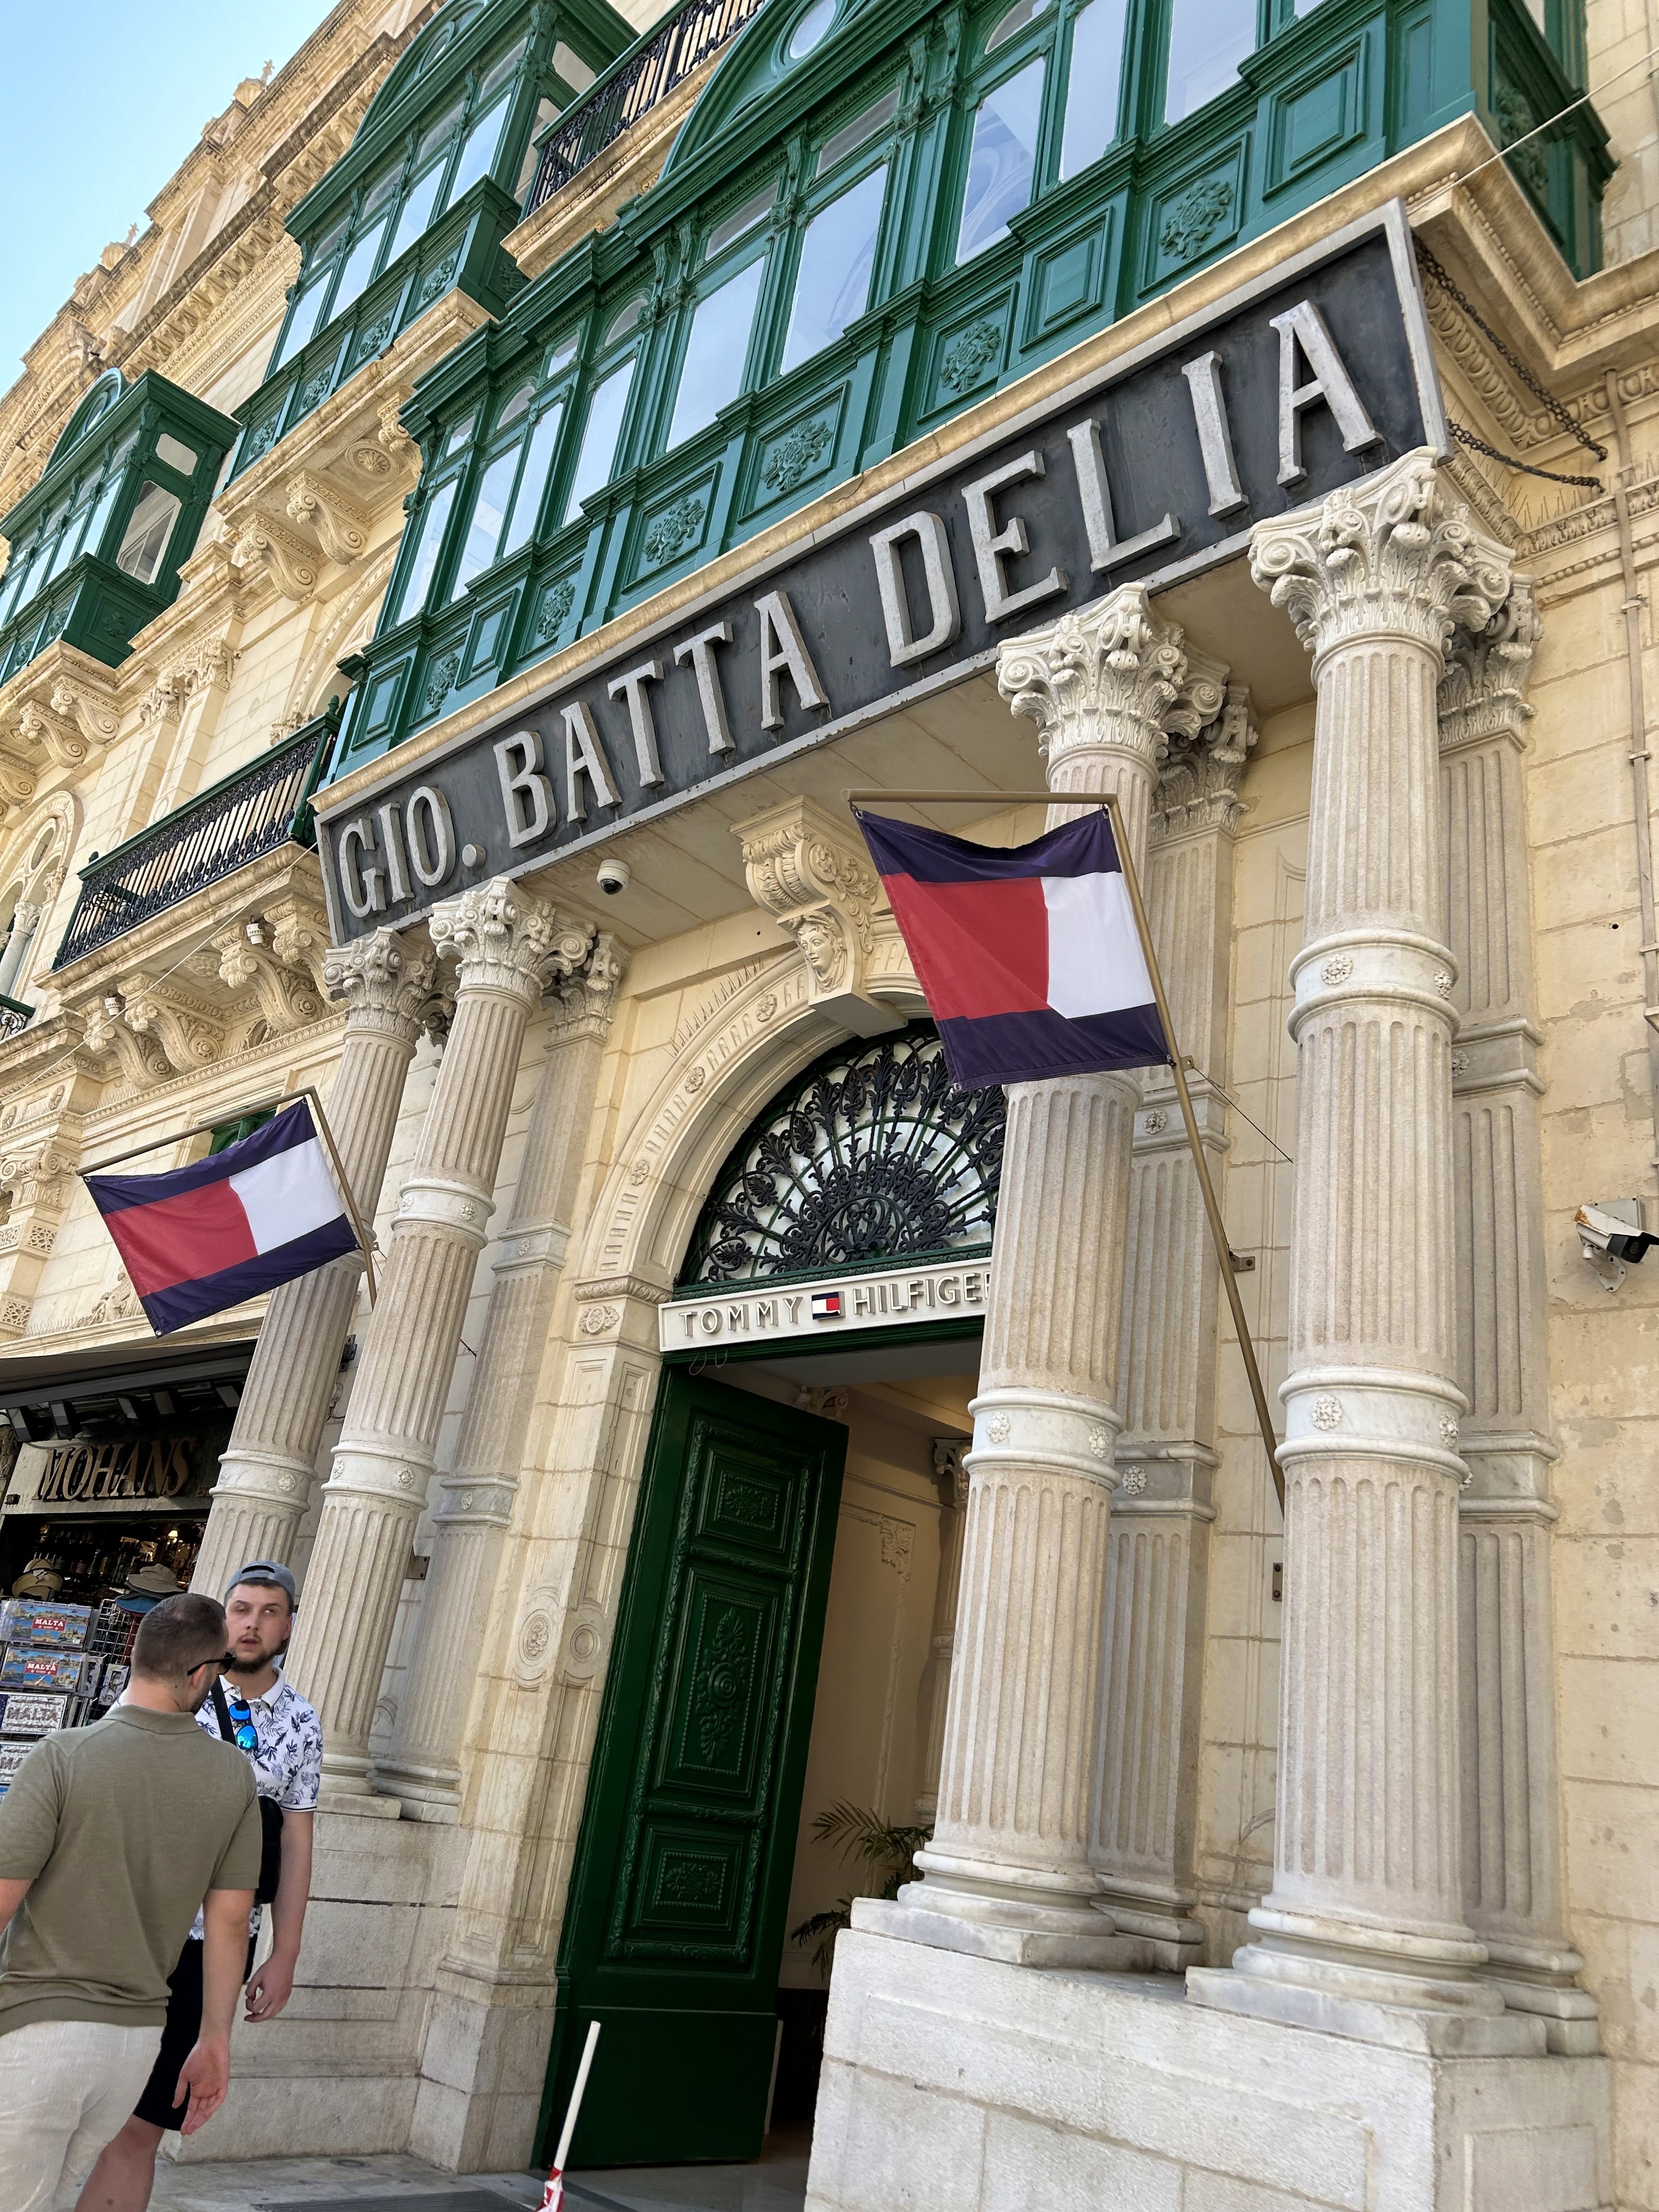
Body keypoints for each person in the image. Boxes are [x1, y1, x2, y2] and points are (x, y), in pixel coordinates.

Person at [0, 1592, 260, 2212]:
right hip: (135, 2044)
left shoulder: (63, 1755)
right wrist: (214, 2042)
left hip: (38, 2027)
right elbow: (231, 1922)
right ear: (202, 1674)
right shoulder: (233, 1776)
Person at [76, 1561, 322, 2212]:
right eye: (241, 1609)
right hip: (126, 1931)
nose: (252, 1624)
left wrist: (285, 1951)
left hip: (210, 1953)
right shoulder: (166, 1690)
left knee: (141, 2128)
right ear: (222, 1618)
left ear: (288, 1626)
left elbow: (296, 1843)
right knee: (74, 2110)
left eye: (270, 1612)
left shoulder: (302, 1722)